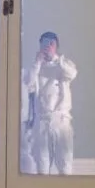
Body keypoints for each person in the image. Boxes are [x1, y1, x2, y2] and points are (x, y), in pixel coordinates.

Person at [26, 31, 77, 175]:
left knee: (65, 162)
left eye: (51, 43)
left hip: (61, 119)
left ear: (56, 46)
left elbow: (71, 74)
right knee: (42, 162)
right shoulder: (36, 67)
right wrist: (37, 62)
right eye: (44, 43)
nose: (47, 47)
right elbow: (29, 83)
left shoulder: (64, 64)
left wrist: (58, 60)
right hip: (42, 120)